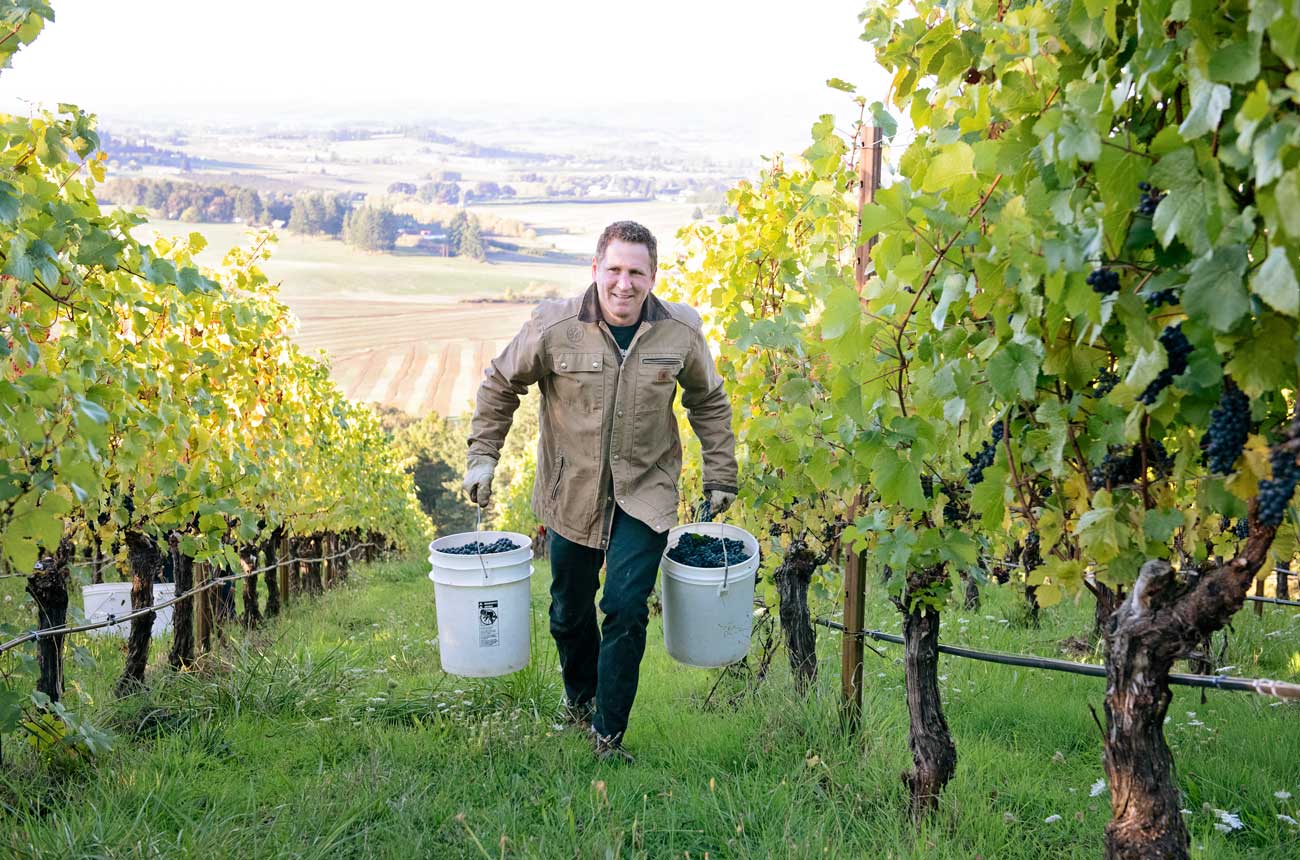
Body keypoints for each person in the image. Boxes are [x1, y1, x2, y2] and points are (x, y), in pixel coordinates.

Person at [463, 221, 738, 763]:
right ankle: (581, 701)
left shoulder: (680, 331)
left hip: (646, 490)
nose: (624, 284)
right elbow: (500, 384)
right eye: (614, 270)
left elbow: (708, 399)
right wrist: (482, 457)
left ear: (653, 276)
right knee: (568, 612)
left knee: (625, 606)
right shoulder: (554, 325)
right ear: (595, 270)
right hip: (572, 492)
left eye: (637, 272)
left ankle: (608, 736)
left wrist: (721, 474)